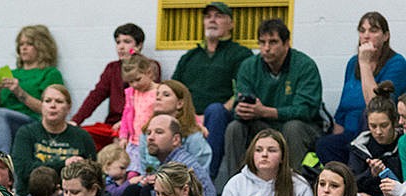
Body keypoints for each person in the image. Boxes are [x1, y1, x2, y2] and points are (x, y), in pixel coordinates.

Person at [222, 18, 322, 180]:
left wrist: (266, 111)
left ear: (286, 43)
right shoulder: (248, 66)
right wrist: (241, 111)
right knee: (235, 127)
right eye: (262, 43)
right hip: (262, 125)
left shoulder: (304, 65)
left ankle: (293, 186)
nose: (266, 48)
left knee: (293, 127)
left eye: (273, 42)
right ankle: (236, 185)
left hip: (302, 126)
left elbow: (306, 110)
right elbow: (239, 103)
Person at [172, 1, 252, 178]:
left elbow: (242, 89)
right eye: (208, 17)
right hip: (189, 116)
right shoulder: (190, 56)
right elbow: (174, 89)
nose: (212, 20)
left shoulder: (240, 54)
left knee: (215, 110)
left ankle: (203, 179)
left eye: (219, 16)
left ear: (231, 23)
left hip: (220, 115)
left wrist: (219, 111)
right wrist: (191, 117)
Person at [316, 12, 406, 165]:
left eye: (373, 30)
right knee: (325, 145)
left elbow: (376, 105)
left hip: (375, 132)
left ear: (386, 36)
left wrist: (365, 63)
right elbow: (343, 108)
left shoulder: (397, 63)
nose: (366, 36)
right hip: (350, 134)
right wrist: (336, 133)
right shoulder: (353, 63)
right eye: (362, 30)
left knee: (366, 116)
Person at [0, 25, 63, 153]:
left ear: (41, 47)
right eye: (21, 44)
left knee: (0, 114)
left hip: (30, 121)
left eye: (29, 44)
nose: (23, 48)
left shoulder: (49, 73)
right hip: (1, 120)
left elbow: (47, 109)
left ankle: (1, 159)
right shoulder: (11, 73)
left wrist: (19, 92)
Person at [11, 84, 96, 196]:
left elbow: (94, 173)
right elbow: (24, 171)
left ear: (68, 108)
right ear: (41, 105)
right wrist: (65, 164)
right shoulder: (26, 133)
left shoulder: (82, 136)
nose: (53, 105)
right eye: (48, 101)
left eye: (59, 101)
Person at [72, 23, 157, 128]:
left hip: (139, 124)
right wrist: (76, 121)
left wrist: (136, 58)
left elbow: (148, 100)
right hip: (112, 124)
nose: (121, 47)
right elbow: (96, 96)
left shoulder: (151, 66)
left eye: (127, 42)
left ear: (139, 45)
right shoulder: (112, 68)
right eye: (118, 42)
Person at [128, 113, 217, 196]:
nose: (150, 138)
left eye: (159, 132)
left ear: (176, 139)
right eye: (148, 133)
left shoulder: (180, 169)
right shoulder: (170, 164)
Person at [139, 80, 213, 173]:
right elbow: (144, 170)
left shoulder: (193, 136)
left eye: (166, 95)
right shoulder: (146, 132)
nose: (158, 98)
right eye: (157, 94)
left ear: (180, 104)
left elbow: (200, 173)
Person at [349, 81, 402, 196]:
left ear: (394, 122)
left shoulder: (402, 145)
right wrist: (371, 174)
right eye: (373, 126)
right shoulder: (359, 146)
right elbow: (351, 183)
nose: (378, 132)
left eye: (384, 125)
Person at [119, 54, 159, 170]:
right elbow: (126, 115)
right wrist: (123, 136)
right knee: (132, 172)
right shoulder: (131, 93)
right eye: (130, 82)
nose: (135, 85)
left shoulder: (160, 91)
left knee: (151, 171)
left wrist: (197, 124)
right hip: (134, 141)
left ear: (149, 73)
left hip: (153, 142)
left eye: (138, 79)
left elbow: (179, 108)